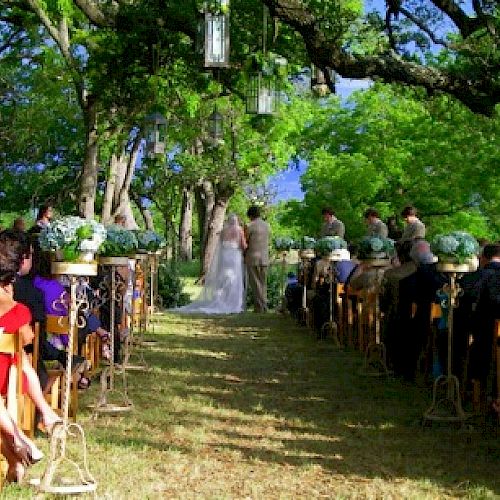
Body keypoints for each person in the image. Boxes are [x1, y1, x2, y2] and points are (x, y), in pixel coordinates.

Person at [0, 235, 61, 481]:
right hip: (10, 377)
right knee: (22, 360)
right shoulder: (18, 307)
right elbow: (26, 338)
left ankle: (18, 439)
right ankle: (40, 416)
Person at [174, 214, 247, 314]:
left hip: (225, 256)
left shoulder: (223, 231)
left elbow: (220, 245)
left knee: (222, 279)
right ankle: (233, 303)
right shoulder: (239, 230)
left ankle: (220, 300)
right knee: (234, 280)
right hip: (234, 257)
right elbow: (243, 245)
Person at [245, 206, 271, 313]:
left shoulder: (249, 226)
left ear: (250, 215)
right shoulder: (267, 225)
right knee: (263, 283)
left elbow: (246, 241)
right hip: (264, 257)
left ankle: (261, 306)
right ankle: (260, 306)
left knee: (255, 283)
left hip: (252, 257)